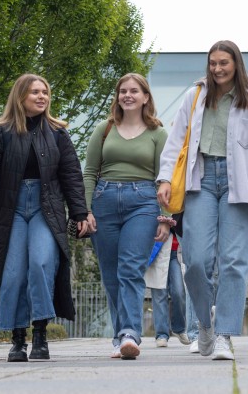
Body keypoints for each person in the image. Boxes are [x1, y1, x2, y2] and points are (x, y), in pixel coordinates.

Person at [156, 40, 248, 361]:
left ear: (236, 64)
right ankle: (205, 324)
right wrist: (165, 178)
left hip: (239, 186)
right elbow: (175, 141)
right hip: (201, 181)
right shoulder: (194, 95)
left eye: (224, 62)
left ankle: (224, 334)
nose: (217, 68)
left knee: (234, 263)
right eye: (213, 63)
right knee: (195, 262)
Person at [0, 74, 88, 362]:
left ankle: (40, 334)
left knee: (41, 263)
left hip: (45, 207)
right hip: (11, 210)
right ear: (20, 96)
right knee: (13, 273)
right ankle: (16, 339)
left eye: (45, 92)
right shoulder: (0, 132)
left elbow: (72, 175)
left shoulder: (58, 133)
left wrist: (79, 212)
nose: (41, 97)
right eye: (35, 92)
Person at [83, 73, 171, 359]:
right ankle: (121, 337)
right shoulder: (104, 129)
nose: (128, 95)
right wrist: (86, 210)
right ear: (117, 97)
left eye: (134, 91)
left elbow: (165, 179)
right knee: (111, 275)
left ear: (146, 97)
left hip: (143, 202)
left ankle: (130, 333)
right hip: (104, 201)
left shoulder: (158, 133)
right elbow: (88, 172)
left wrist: (165, 217)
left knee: (131, 269)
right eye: (123, 91)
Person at [149, 234, 191, 349]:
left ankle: (179, 329)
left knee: (179, 292)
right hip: (158, 249)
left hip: (177, 252)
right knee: (159, 293)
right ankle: (161, 335)